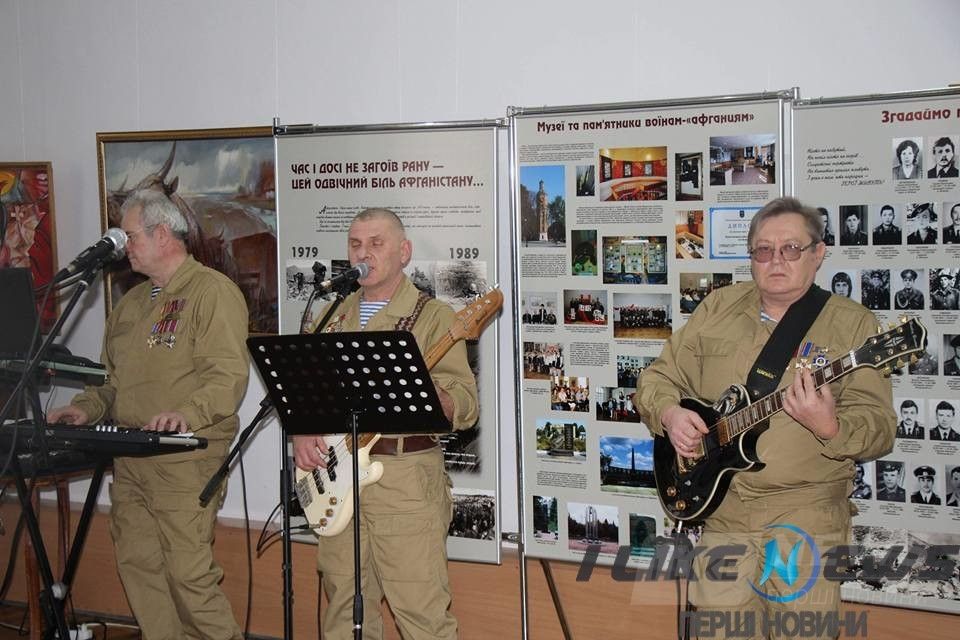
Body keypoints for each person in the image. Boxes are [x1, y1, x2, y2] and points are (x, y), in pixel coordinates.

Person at [635, 197, 895, 634]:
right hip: (724, 517)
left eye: (791, 248)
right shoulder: (717, 309)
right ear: (751, 256)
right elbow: (658, 377)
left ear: (818, 253)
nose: (776, 260)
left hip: (805, 518)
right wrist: (669, 413)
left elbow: (881, 428)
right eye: (763, 250)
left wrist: (831, 427)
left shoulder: (853, 325)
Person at [47, 190, 249, 639]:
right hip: (131, 458)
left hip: (184, 459)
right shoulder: (132, 303)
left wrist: (185, 413)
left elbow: (227, 378)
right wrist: (83, 409)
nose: (124, 246)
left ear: (162, 235)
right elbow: (110, 382)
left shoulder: (212, 292)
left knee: (189, 577)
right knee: (139, 567)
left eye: (130, 235)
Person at [292, 208, 479, 639]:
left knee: (421, 616)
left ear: (404, 252)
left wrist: (428, 391)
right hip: (337, 478)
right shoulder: (331, 316)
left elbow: (466, 404)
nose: (364, 253)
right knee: (344, 611)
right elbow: (309, 392)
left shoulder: (434, 317)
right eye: (356, 244)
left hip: (404, 482)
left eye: (376, 244)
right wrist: (303, 430)